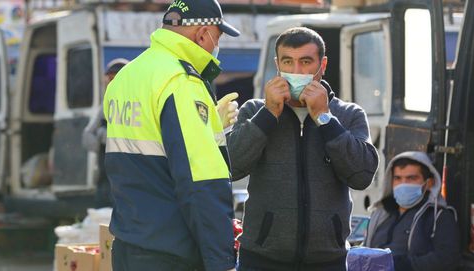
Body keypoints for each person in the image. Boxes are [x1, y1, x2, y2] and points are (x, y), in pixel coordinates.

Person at [102, 0, 241, 270]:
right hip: (170, 253)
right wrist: (221, 261)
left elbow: (148, 151)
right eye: (218, 36)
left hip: (129, 243)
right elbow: (201, 182)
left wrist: (209, 123)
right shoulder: (180, 81)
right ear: (202, 34)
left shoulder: (126, 76)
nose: (217, 45)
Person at [227, 27, 379, 271]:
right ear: (277, 64)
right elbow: (230, 167)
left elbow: (362, 175)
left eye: (306, 62)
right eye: (288, 62)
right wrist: (268, 115)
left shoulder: (348, 114)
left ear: (323, 65)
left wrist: (325, 118)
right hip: (261, 258)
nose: (296, 72)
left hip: (327, 261)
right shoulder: (254, 110)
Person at [364, 151, 460, 271]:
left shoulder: (438, 216)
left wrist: (400, 265)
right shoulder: (380, 214)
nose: (403, 184)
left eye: (411, 178)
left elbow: (447, 259)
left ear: (429, 183)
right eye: (398, 178)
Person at [82, 58, 129, 208]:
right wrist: (101, 136)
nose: (111, 83)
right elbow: (87, 135)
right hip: (106, 173)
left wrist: (108, 136)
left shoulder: (137, 103)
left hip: (128, 172)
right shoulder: (106, 105)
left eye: (115, 79)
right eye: (109, 79)